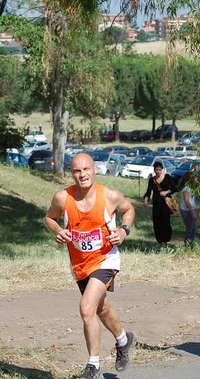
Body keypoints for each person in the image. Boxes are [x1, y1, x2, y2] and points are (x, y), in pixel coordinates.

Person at [44, 153, 137, 379]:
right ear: (72, 173)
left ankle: (93, 366)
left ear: (94, 170)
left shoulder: (110, 196)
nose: (82, 174)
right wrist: (58, 231)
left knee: (86, 308)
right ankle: (124, 340)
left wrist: (124, 231)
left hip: (106, 259)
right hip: (80, 264)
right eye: (77, 171)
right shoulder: (62, 198)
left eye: (86, 169)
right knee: (100, 308)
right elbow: (49, 218)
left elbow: (130, 210)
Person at [143, 161, 178, 246]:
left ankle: (166, 239)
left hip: (165, 204)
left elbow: (175, 188)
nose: (158, 171)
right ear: (154, 170)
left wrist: (166, 192)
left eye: (159, 169)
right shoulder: (152, 180)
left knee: (165, 221)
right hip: (156, 204)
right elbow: (148, 191)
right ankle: (159, 240)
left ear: (162, 169)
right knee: (157, 221)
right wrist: (146, 199)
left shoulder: (167, 177)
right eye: (156, 169)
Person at [177, 171, 197, 245]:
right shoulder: (186, 189)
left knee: (194, 228)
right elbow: (187, 201)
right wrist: (193, 212)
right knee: (190, 228)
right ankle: (187, 244)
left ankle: (191, 242)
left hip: (189, 210)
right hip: (187, 210)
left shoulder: (189, 188)